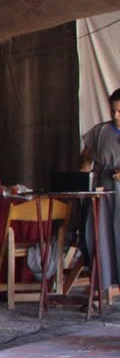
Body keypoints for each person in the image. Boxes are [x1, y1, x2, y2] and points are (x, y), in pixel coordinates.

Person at [77, 86, 120, 293]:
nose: (116, 115)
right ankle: (101, 284)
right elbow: (85, 158)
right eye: (113, 110)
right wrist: (82, 181)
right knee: (101, 235)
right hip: (104, 191)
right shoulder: (101, 131)